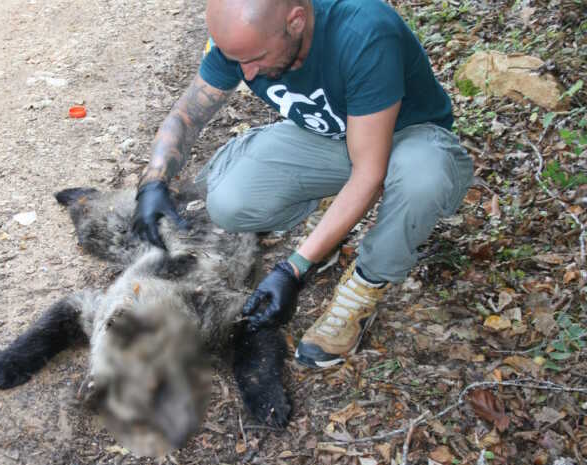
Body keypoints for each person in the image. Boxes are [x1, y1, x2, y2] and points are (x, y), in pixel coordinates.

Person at [131, 0, 474, 369]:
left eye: (256, 58)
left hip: (410, 137)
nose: (247, 72)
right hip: (334, 137)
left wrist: (293, 269)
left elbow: (369, 174)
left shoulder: (364, 33)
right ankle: (332, 220)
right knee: (229, 200)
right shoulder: (244, 43)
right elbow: (186, 115)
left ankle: (365, 285)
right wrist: (153, 182)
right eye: (237, 60)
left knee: (422, 179)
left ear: (295, 21)